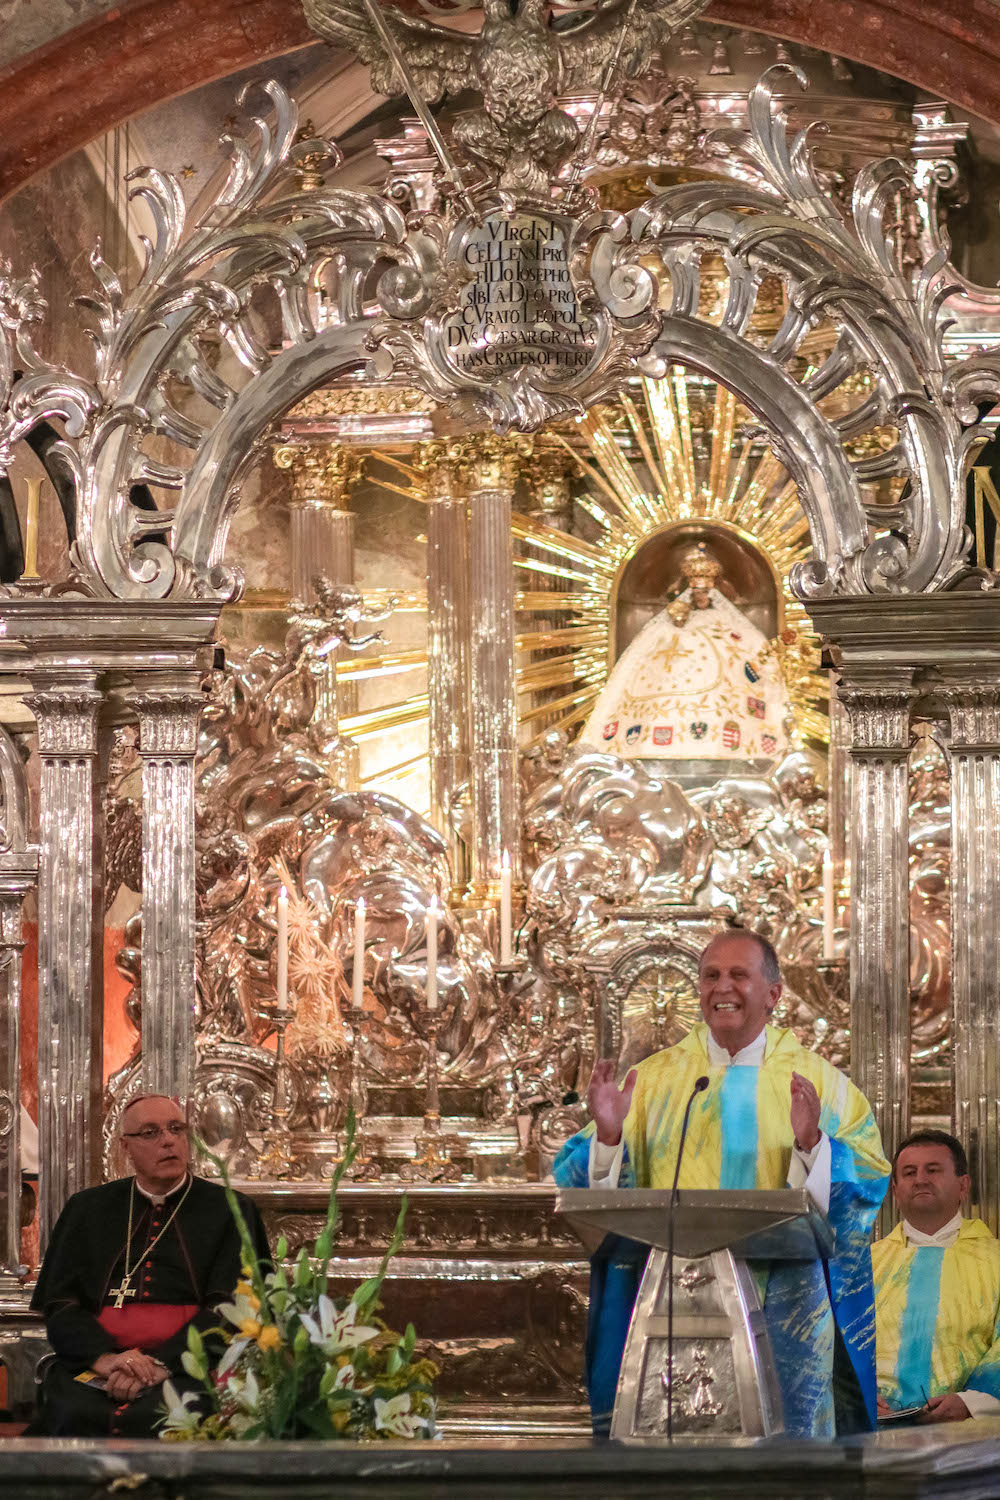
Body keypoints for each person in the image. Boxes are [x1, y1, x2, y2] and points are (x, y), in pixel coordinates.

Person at [554, 930, 890, 1438]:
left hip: (781, 1305)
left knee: (777, 1460)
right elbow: (584, 1186)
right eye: (711, 975)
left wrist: (813, 1145)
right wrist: (609, 1134)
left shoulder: (820, 1084)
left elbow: (865, 1180)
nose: (722, 987)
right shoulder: (653, 1080)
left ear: (773, 994)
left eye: (738, 974)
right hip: (668, 1305)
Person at [30, 1093, 270, 1437]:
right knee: (72, 1412)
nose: (168, 1140)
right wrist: (103, 1359)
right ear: (125, 1147)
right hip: (99, 1360)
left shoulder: (230, 1209)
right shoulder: (87, 1209)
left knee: (164, 1415)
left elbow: (233, 1305)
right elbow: (61, 1302)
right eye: (150, 1132)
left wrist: (162, 1364)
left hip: (190, 1362)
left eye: (176, 1129)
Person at [873, 1130, 1000, 1423]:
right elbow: (838, 1344)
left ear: (963, 1184)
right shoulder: (865, 1264)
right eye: (908, 1172)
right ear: (894, 1188)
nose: (920, 1179)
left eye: (933, 1170)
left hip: (971, 1437)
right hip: (873, 1434)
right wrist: (859, 1395)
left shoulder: (995, 1259)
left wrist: (973, 1402)